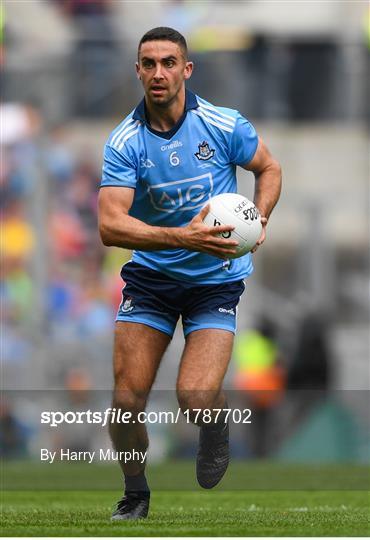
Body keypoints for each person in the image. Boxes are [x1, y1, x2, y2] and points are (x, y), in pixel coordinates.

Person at [98, 26, 281, 520]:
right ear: (138, 70)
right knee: (125, 400)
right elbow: (110, 225)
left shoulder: (223, 125)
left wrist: (259, 218)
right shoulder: (124, 141)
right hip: (153, 281)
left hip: (215, 281)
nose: (159, 72)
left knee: (196, 400)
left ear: (187, 69)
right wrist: (181, 237)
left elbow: (269, 168)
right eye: (149, 63)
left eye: (169, 62)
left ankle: (215, 424)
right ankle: (135, 493)